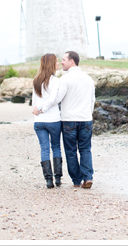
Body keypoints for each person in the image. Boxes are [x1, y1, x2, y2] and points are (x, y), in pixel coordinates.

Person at [36, 51, 96, 188]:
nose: (61, 62)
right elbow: (92, 100)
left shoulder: (65, 79)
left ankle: (76, 180)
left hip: (69, 120)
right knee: (85, 149)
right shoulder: (89, 79)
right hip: (86, 119)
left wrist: (41, 108)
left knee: (71, 151)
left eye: (64, 60)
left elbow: (56, 99)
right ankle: (88, 177)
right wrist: (88, 115)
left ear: (72, 61)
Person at [30, 53, 63, 188]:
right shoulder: (55, 80)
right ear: (51, 64)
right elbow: (51, 100)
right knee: (55, 147)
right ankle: (58, 178)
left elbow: (34, 102)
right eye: (56, 62)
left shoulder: (36, 80)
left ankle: (48, 180)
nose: (58, 64)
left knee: (44, 148)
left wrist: (38, 110)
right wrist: (43, 109)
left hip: (39, 121)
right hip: (53, 120)